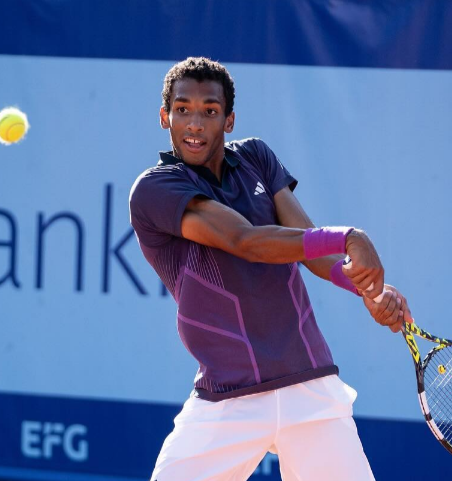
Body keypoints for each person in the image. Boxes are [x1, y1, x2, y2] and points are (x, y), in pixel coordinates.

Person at [129, 57, 413, 481]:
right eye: (182, 109)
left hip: (309, 386)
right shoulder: (156, 188)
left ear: (228, 121)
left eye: (209, 111)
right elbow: (246, 241)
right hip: (227, 397)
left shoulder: (257, 157)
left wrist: (366, 291)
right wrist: (349, 235)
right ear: (163, 116)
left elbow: (311, 249)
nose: (194, 123)